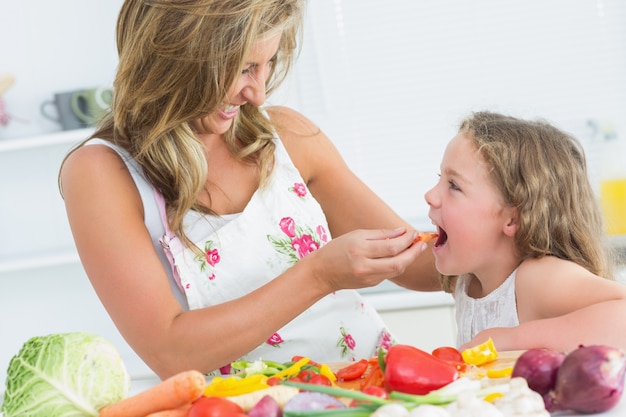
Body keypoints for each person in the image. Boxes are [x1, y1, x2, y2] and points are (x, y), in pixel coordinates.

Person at [59, 0, 439, 379]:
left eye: (268, 63)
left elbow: (420, 267)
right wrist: (320, 275)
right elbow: (171, 353)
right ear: (176, 58)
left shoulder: (289, 135)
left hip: (378, 389)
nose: (257, 94)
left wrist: (486, 213)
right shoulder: (103, 173)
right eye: (243, 68)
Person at [424, 111, 626, 353]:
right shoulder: (469, 281)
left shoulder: (536, 278)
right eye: (440, 178)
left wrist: (513, 340)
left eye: (454, 186)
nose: (430, 196)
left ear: (512, 217)